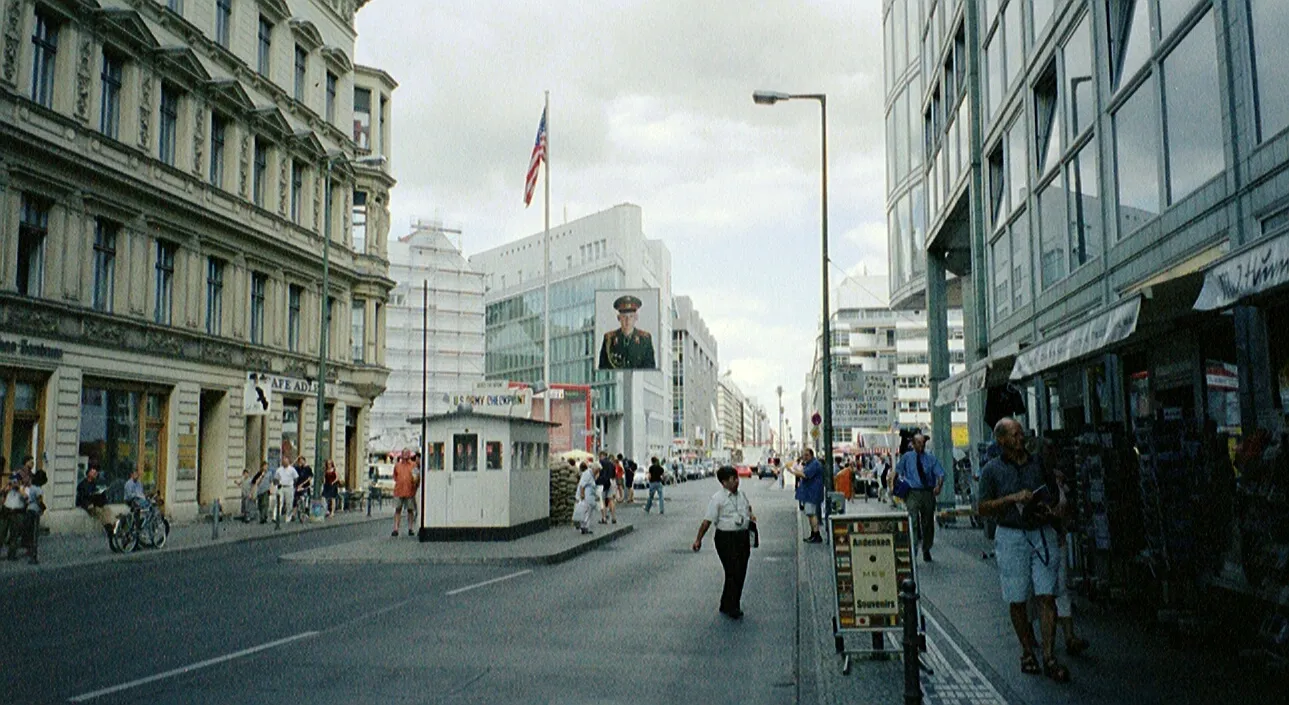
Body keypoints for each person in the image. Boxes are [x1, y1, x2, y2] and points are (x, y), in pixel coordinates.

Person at [977, 417, 1070, 684]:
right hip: (1011, 535)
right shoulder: (991, 470)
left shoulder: (1038, 463)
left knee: (1046, 594)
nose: (1021, 439)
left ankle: (1050, 656)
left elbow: (1054, 492)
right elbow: (982, 507)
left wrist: (1052, 508)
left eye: (1022, 434)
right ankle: (1027, 651)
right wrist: (1012, 498)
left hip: (1042, 532)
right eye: (1015, 435)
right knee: (1017, 597)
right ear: (1001, 440)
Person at [692, 465, 757, 619]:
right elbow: (707, 520)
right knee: (732, 570)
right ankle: (733, 606)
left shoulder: (742, 495)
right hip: (725, 538)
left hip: (742, 537)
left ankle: (727, 602)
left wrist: (751, 516)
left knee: (741, 571)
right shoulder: (717, 499)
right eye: (732, 479)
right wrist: (698, 539)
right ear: (724, 482)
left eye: (737, 478)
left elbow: (748, 508)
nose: (736, 482)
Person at [894, 433, 946, 562]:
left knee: (928, 522)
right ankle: (913, 549)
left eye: (923, 443)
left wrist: (939, 486)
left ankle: (926, 548)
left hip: (928, 492)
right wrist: (893, 486)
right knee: (913, 520)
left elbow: (940, 473)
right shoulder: (907, 457)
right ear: (913, 444)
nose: (921, 446)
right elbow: (897, 471)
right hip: (912, 492)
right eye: (918, 443)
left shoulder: (931, 458)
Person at [597, 294, 656, 369]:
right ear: (619, 318)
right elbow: (603, 367)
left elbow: (650, 367)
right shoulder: (609, 339)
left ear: (636, 317)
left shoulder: (645, 339)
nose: (627, 321)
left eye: (631, 316)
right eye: (624, 317)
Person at [787, 448, 825, 543]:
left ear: (811, 455)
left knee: (811, 513)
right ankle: (813, 534)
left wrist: (792, 471)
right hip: (810, 492)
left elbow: (805, 475)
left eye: (806, 455)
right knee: (810, 513)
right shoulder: (811, 463)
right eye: (804, 455)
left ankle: (816, 535)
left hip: (812, 493)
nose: (804, 457)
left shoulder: (814, 464)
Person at [392, 450, 419, 537]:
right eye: (404, 454)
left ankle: (410, 528)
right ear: (402, 455)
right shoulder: (397, 466)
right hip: (399, 491)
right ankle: (396, 529)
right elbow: (395, 476)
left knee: (410, 510)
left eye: (407, 454)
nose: (406, 456)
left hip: (410, 491)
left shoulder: (413, 465)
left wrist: (415, 485)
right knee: (397, 509)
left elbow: (417, 477)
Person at [76, 465, 113, 530]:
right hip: (89, 505)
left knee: (107, 509)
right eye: (93, 473)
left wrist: (102, 495)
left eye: (95, 473)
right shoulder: (82, 484)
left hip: (97, 503)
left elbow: (100, 495)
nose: (95, 474)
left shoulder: (95, 483)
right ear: (89, 474)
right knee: (98, 511)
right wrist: (88, 504)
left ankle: (112, 524)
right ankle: (107, 526)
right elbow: (82, 497)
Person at [21, 470, 46, 564]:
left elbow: (27, 498)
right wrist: (43, 508)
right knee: (35, 534)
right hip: (35, 511)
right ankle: (34, 556)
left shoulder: (31, 487)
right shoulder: (39, 489)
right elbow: (39, 500)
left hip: (29, 509)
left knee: (29, 532)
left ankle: (29, 550)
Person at [575, 462, 599, 534]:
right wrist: (582, 494)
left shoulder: (591, 474)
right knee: (586, 511)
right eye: (597, 471)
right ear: (594, 469)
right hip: (585, 496)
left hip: (589, 496)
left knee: (588, 511)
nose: (598, 472)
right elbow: (582, 485)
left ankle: (585, 527)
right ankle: (584, 527)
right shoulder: (587, 474)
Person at [273, 456, 298, 525]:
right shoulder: (279, 470)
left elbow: (296, 478)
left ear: (288, 462)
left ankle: (288, 517)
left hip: (289, 487)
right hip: (281, 487)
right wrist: (277, 483)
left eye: (286, 462)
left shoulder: (292, 470)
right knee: (279, 502)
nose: (284, 463)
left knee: (289, 503)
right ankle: (275, 516)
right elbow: (275, 478)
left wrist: (294, 486)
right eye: (283, 462)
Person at [597, 451, 618, 525]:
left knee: (602, 500)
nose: (599, 457)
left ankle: (604, 518)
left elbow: (597, 473)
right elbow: (614, 474)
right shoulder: (612, 464)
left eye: (600, 456)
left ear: (602, 455)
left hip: (602, 483)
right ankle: (613, 517)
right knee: (611, 500)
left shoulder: (600, 462)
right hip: (611, 481)